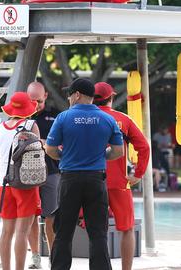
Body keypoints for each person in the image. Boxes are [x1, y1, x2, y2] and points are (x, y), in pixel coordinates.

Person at [44, 78, 124, 270]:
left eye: (70, 94)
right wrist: (101, 155)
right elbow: (118, 151)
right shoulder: (108, 119)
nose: (69, 98)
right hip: (96, 179)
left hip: (70, 179)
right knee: (98, 233)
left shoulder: (63, 118)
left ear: (77, 94)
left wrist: (65, 155)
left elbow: (50, 149)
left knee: (63, 231)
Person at [94, 81, 150, 270]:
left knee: (95, 231)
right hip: (119, 182)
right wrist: (138, 173)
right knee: (126, 229)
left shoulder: (82, 118)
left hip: (91, 182)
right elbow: (144, 147)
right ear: (111, 98)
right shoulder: (123, 119)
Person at [0, 92, 42, 270]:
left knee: (6, 232)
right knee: (22, 232)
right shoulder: (31, 125)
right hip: (25, 184)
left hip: (3, 185)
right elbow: (38, 158)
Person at [26, 81, 59, 269]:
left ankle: (54, 256)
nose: (35, 104)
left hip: (51, 172)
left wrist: (42, 142)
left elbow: (62, 145)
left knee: (51, 216)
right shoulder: (21, 118)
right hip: (28, 174)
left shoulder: (54, 117)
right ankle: (36, 256)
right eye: (32, 100)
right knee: (31, 216)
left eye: (38, 100)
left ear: (45, 96)